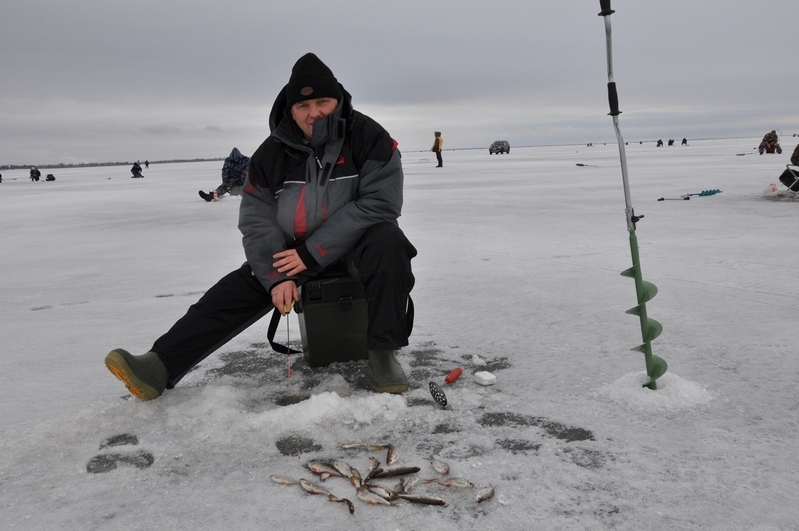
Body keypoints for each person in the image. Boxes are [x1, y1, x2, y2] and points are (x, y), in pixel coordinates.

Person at [104, 52, 417, 401]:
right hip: (292, 252)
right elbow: (256, 218)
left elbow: (381, 203)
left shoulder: (368, 137)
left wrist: (313, 253)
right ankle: (159, 365)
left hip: (355, 248)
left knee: (389, 241)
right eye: (303, 105)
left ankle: (383, 355)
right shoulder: (271, 154)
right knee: (239, 288)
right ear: (290, 109)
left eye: (323, 102)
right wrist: (277, 275)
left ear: (338, 100)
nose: (314, 112)